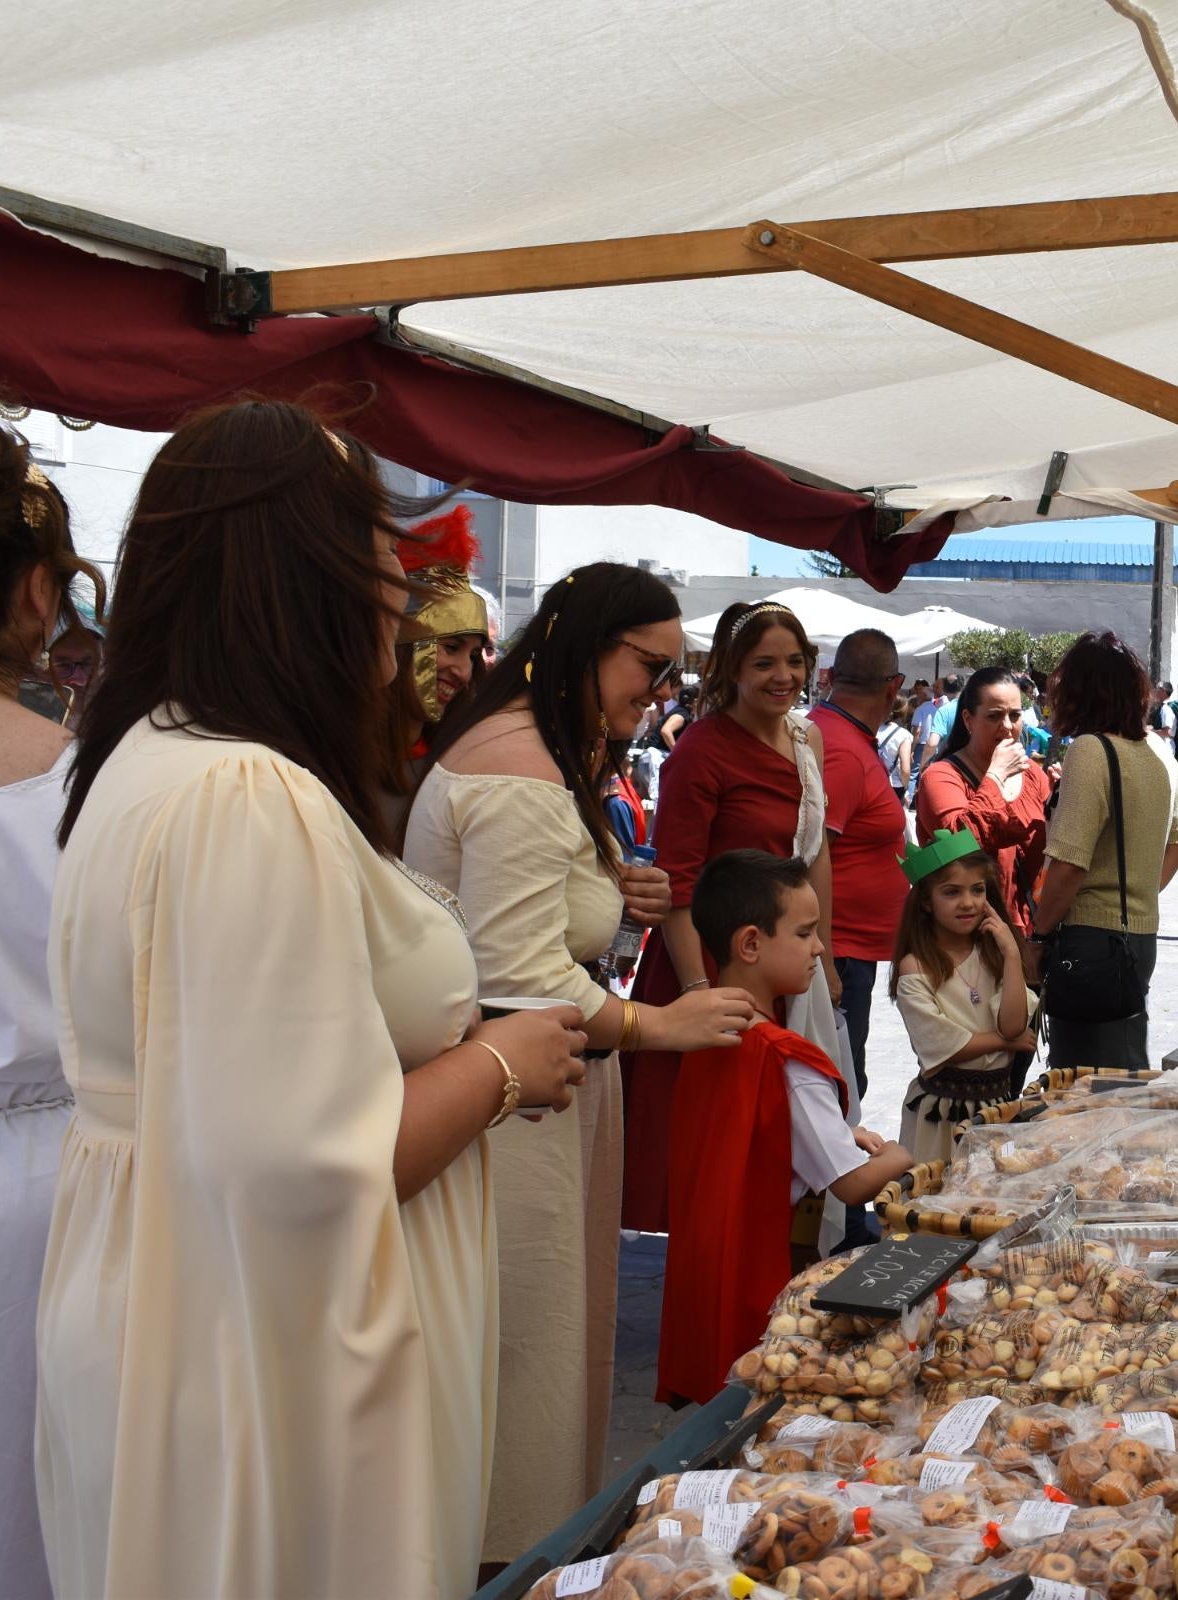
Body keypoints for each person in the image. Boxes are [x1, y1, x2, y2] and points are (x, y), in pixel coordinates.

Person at [38, 400, 589, 1599]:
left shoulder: (146, 758)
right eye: (385, 575)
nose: (400, 615)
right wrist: (503, 1063)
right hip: (259, 1350)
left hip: (186, 1310)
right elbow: (305, 1160)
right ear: (307, 588)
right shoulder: (242, 793)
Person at [410, 560, 753, 1566]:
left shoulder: (537, 746)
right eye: (649, 668)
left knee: (544, 1352)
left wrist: (611, 889)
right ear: (581, 640)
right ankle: (504, 1568)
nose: (658, 695)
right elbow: (518, 971)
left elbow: (528, 918)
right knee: (525, 1358)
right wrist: (657, 1026)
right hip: (511, 1103)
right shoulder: (518, 766)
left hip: (530, 1092)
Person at [0, 405, 104, 1600]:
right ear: (34, 590)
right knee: (18, 1518)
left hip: (14, 1169)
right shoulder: (79, 782)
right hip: (48, 1192)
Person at [623, 601, 851, 1235]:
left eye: (795, 662)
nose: (783, 676)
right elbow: (679, 885)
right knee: (705, 1149)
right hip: (709, 966)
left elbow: (816, 854)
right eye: (765, 663)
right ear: (731, 668)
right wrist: (701, 994)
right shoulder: (701, 749)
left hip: (782, 968)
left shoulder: (808, 738)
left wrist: (822, 956)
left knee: (780, 1138)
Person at [656, 851, 913, 1406]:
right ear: (751, 944)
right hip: (757, 1280)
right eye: (805, 932)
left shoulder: (701, 1033)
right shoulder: (786, 1058)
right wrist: (897, 1155)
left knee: (711, 1406)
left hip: (702, 1269)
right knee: (752, 1407)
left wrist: (844, 1140)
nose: (820, 948)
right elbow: (851, 1185)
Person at [1029, 632, 1178, 1070]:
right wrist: (1136, 895)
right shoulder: (1158, 752)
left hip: (1089, 941)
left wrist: (1038, 937)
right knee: (1121, 1068)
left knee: (1083, 1086)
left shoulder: (1091, 750)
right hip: (1138, 938)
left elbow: (1067, 865)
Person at [890, 829, 1038, 1160]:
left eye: (977, 890)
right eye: (952, 892)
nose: (968, 902)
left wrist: (1012, 954)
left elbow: (1013, 1025)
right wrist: (1002, 1042)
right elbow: (940, 1044)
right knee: (937, 1194)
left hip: (995, 1106)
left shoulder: (993, 956)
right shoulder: (916, 966)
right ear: (927, 901)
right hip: (939, 1114)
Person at [810, 628, 912, 1105]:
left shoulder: (845, 736)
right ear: (894, 687)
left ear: (830, 677)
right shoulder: (844, 748)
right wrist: (825, 957)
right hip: (840, 954)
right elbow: (812, 853)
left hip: (849, 951)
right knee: (839, 1090)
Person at [373, 503, 490, 837]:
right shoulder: (338, 758)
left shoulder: (461, 764)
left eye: (474, 655)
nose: (464, 672)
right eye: (451, 647)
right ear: (403, 644)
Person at [916, 664, 1053, 941]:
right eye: (994, 716)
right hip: (964, 941)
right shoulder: (941, 776)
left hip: (1026, 939)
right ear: (968, 720)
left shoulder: (1034, 775)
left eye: (1015, 716)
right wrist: (996, 775)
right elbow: (959, 843)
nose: (1007, 727)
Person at [926, 671, 963, 748]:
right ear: (961, 687)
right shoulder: (973, 707)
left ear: (944, 690)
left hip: (949, 757)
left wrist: (923, 760)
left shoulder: (944, 711)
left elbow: (932, 744)